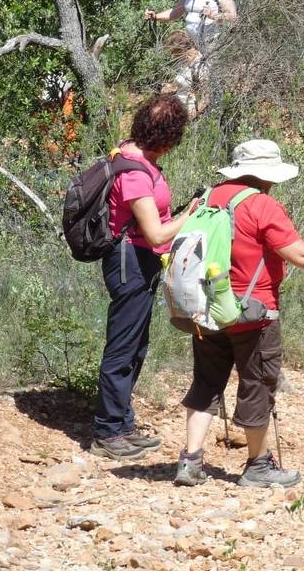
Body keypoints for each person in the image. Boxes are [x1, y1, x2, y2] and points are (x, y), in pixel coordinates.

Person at [173, 139, 304, 489]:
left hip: (209, 308)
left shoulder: (207, 198)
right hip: (254, 313)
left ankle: (190, 461)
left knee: (205, 382)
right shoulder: (263, 206)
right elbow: (302, 257)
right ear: (266, 175)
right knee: (257, 383)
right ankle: (257, 465)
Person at [92, 94, 199, 460]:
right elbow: (155, 234)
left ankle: (122, 423)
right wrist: (190, 215)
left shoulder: (130, 154)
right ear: (167, 137)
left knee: (135, 344)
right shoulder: (136, 173)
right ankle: (107, 431)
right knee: (123, 346)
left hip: (139, 260)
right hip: (132, 260)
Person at [160, 29, 205, 119]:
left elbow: (206, 99)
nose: (172, 56)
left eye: (173, 52)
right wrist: (170, 87)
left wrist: (190, 117)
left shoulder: (199, 66)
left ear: (180, 49)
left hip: (188, 113)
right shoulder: (183, 62)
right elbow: (181, 83)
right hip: (177, 109)